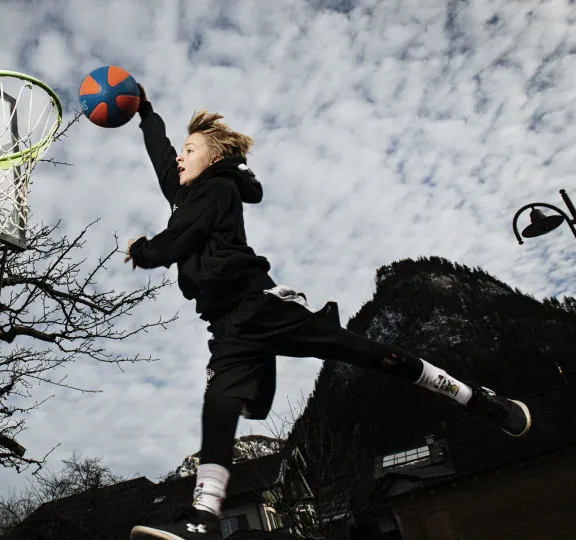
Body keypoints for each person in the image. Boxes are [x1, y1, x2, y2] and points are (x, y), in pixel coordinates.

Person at [124, 85, 532, 540]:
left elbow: (180, 237)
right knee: (219, 404)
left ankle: (476, 397)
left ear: (214, 159)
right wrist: (145, 112)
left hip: (261, 307)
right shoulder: (184, 192)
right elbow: (161, 158)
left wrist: (146, 250)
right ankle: (203, 520)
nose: (180, 158)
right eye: (181, 151)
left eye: (190, 150)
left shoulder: (218, 189)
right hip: (228, 326)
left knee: (366, 352)